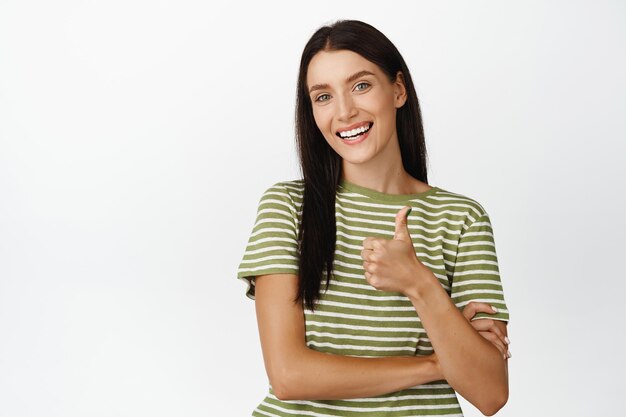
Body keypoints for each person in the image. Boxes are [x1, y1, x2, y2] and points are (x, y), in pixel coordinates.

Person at [237, 19, 510, 417]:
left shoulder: (461, 218)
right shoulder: (287, 206)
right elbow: (289, 375)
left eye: (361, 86)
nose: (345, 111)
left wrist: (419, 283)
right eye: (323, 96)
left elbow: (490, 393)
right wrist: (439, 363)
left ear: (397, 90)